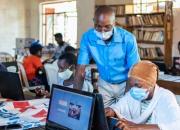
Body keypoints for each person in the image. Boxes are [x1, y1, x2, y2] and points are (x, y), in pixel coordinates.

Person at [74, 6, 140, 107]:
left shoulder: (128, 39)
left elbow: (134, 71)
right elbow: (80, 71)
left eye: (107, 27)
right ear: (94, 21)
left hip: (126, 83)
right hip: (104, 83)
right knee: (103, 117)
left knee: (124, 116)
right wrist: (75, 98)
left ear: (114, 23)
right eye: (98, 26)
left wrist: (126, 101)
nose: (102, 31)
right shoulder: (87, 38)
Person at [105, 61, 180, 130]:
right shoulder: (131, 96)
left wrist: (137, 127)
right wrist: (111, 111)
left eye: (138, 85)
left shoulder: (166, 96)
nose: (133, 89)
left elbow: (176, 125)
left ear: (151, 84)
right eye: (131, 86)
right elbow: (118, 107)